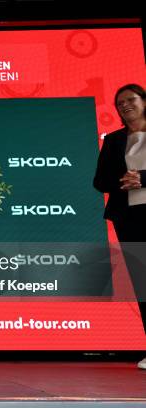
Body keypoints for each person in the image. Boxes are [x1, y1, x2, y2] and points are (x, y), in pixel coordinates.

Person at [93, 83, 146, 370]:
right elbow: (100, 181)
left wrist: (143, 180)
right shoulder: (113, 140)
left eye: (130, 99)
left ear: (144, 101)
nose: (125, 105)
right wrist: (123, 183)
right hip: (130, 220)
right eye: (119, 103)